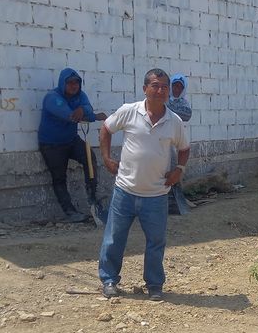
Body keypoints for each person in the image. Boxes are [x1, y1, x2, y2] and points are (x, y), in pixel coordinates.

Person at [97, 69, 190, 301]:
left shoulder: (174, 121)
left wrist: (179, 170)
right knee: (114, 238)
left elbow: (184, 148)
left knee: (156, 243)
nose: (160, 91)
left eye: (164, 87)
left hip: (156, 195)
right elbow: (106, 128)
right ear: (145, 89)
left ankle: (154, 285)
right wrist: (106, 158)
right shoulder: (129, 111)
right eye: (155, 86)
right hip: (125, 191)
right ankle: (109, 280)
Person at [38, 67, 107, 223]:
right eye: (69, 83)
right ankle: (70, 212)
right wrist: (93, 116)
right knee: (59, 177)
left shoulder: (80, 95)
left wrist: (83, 109)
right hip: (52, 144)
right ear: (62, 83)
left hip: (71, 140)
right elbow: (71, 116)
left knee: (90, 158)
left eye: (76, 82)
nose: (74, 86)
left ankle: (92, 196)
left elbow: (87, 108)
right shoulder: (52, 98)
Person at [167, 74, 192, 215]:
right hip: (161, 139)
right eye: (175, 86)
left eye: (180, 87)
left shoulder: (183, 103)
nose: (177, 89)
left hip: (176, 140)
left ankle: (173, 199)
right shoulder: (164, 99)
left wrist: (169, 110)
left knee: (174, 167)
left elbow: (187, 115)